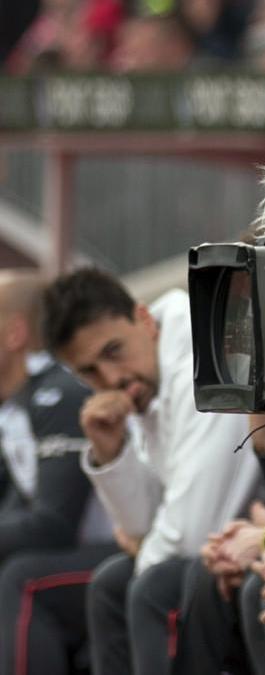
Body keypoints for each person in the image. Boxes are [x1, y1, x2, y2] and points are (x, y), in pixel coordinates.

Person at [42, 268, 261, 675]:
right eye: (89, 372)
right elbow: (143, 524)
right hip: (222, 549)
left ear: (144, 319)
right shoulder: (146, 377)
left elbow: (191, 532)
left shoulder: (204, 360)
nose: (112, 380)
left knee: (150, 587)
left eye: (113, 351)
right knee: (111, 583)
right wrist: (113, 454)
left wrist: (145, 546)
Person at [0, 270, 117, 675]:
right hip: (85, 551)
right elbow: (17, 509)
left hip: (132, 544)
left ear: (14, 334)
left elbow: (54, 524)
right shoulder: (17, 405)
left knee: (20, 578)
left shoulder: (60, 395)